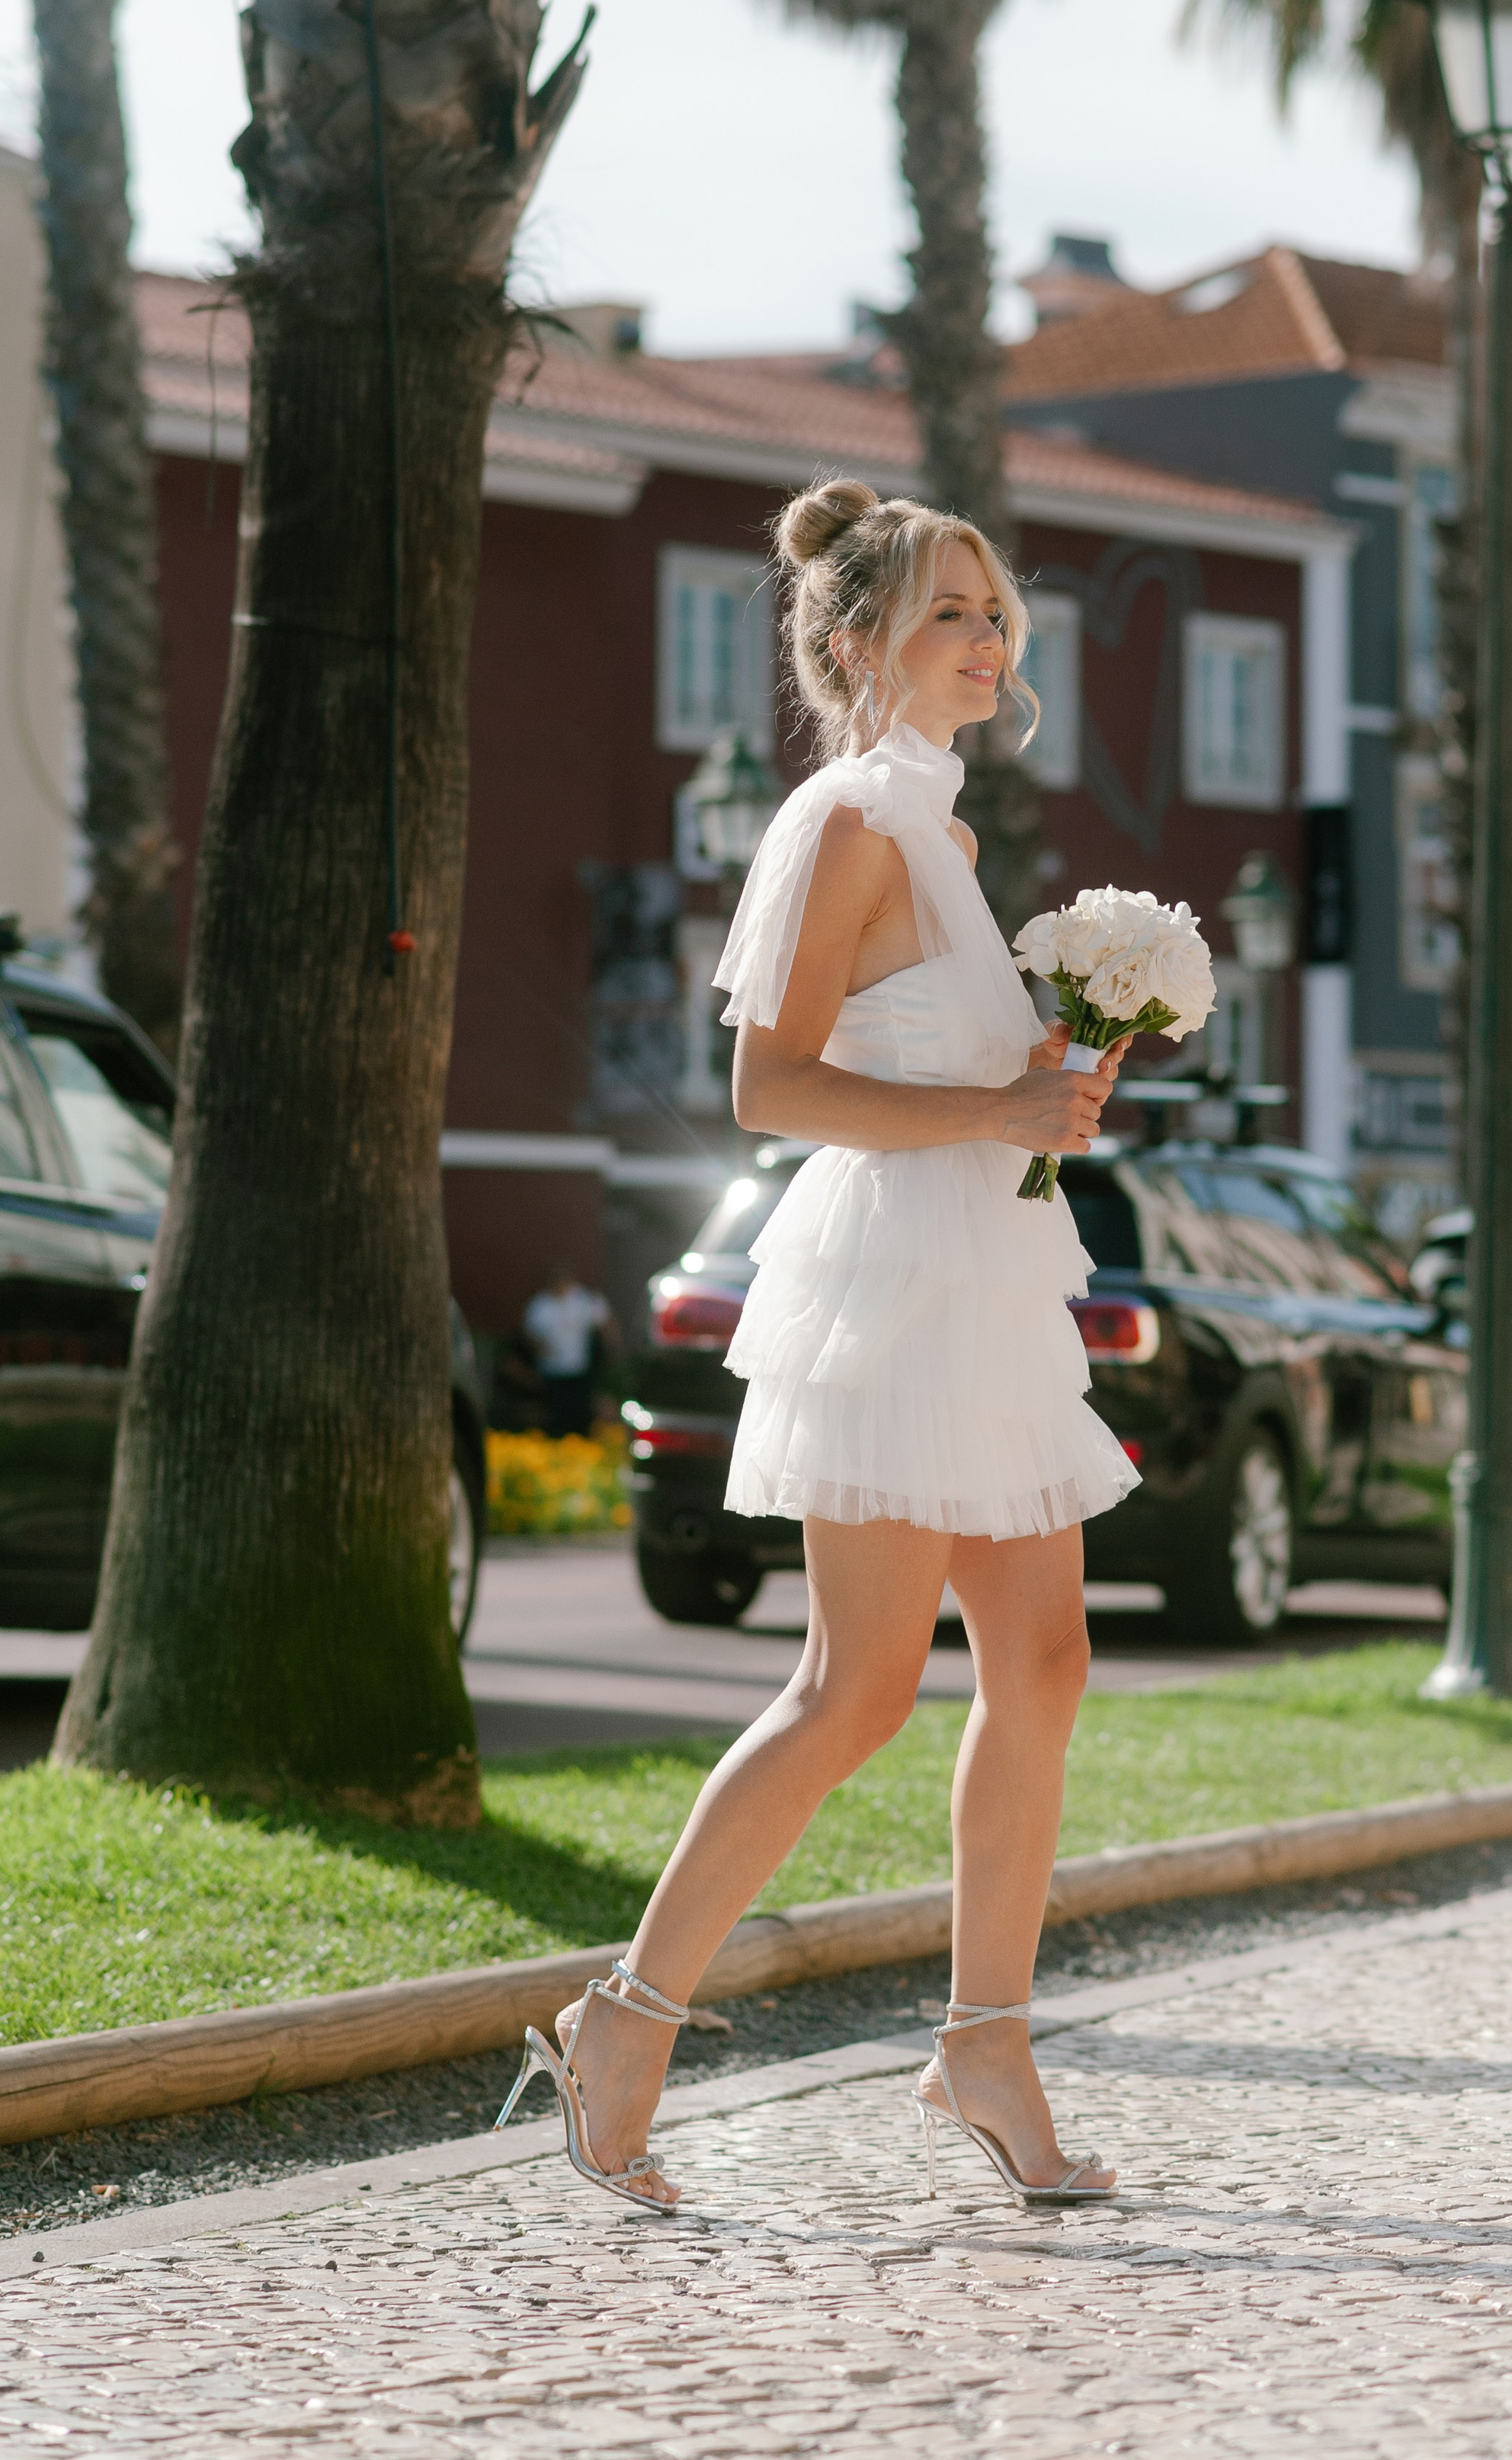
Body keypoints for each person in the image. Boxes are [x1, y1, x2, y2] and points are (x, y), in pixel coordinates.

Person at [498, 479, 1136, 2214]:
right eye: (946, 610)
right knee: (853, 1688)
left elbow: (953, 1086)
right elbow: (765, 1088)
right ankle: (621, 2016)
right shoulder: (844, 817)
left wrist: (1048, 1096)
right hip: (895, 1287)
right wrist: (990, 1103)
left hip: (990, 1269)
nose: (984, 639)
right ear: (854, 641)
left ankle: (983, 2037)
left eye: (994, 609)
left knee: (1047, 1662)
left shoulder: (945, 834)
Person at [520, 1266, 612, 1439]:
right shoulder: (540, 1305)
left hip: (579, 1368)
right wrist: (539, 1346)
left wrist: (607, 1351)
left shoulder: (583, 1300)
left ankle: (580, 1443)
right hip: (552, 1370)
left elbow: (604, 1322)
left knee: (580, 1412)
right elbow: (529, 1334)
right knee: (556, 1413)